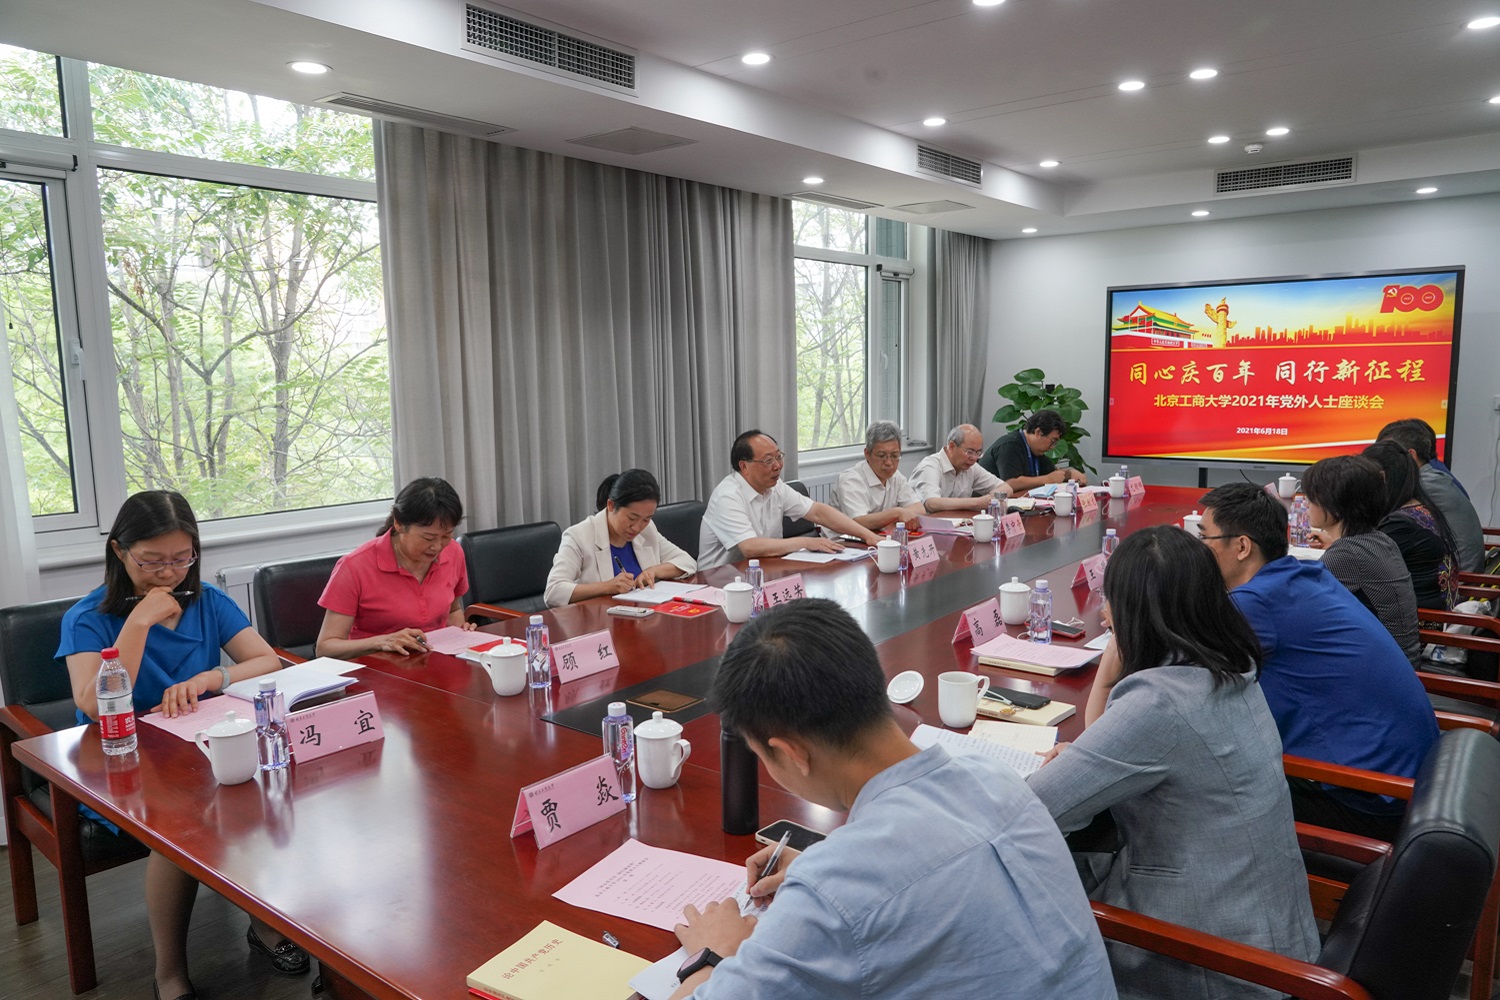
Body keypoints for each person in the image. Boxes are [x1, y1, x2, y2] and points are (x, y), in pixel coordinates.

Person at [669, 599, 1116, 1000]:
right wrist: (828, 871)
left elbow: (870, 885)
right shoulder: (995, 778)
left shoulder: (837, 887)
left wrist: (713, 953)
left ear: (791, 754)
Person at [1028, 526, 1318, 1000]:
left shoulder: (1160, 704)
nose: (1103, 614)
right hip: (1271, 935)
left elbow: (1034, 810)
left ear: (1135, 611)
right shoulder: (1229, 665)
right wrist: (1088, 755)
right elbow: (1118, 744)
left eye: (1111, 601)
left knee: (1015, 898)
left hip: (1213, 964)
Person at [56, 490, 306, 1000]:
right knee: (182, 825)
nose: (167, 573)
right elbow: (94, 702)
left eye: (180, 558)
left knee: (271, 788)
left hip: (197, 748)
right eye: (151, 561)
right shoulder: (87, 617)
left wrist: (213, 677)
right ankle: (168, 972)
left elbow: (266, 660)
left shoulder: (207, 600)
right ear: (119, 551)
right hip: (121, 759)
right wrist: (139, 621)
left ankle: (263, 924)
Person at [1198, 483, 1438, 840]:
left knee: (1195, 782)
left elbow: (1178, 675)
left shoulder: (1256, 603)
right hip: (1411, 777)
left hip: (1367, 795)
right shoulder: (1305, 575)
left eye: (1204, 538)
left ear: (1242, 546)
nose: (1198, 550)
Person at [316, 477, 475, 657]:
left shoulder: (453, 552)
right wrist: (382, 641)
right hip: (377, 666)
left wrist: (461, 632)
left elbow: (453, 610)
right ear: (399, 524)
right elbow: (325, 648)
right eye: (428, 538)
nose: (438, 547)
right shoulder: (354, 567)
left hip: (434, 660)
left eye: (446, 536)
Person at [698, 430, 882, 569]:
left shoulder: (775, 487)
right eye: (768, 460)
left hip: (764, 569)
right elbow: (750, 547)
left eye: (778, 457)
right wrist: (806, 542)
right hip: (718, 581)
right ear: (744, 466)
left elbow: (818, 512)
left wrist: (869, 536)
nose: (777, 466)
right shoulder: (728, 496)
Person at [1300, 454, 1421, 663]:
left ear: (1335, 504)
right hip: (1399, 661)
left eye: (1312, 497)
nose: (1306, 503)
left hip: (1379, 667)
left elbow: (1302, 608)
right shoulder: (1381, 540)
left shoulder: (1345, 555)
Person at [544, 469, 696, 606]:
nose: (637, 527)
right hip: (599, 622)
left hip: (645, 619)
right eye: (632, 518)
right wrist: (607, 587)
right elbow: (553, 591)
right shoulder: (579, 536)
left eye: (646, 519)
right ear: (611, 505)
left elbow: (687, 562)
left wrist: (654, 571)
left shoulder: (647, 530)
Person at [1362, 440, 1461, 611]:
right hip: (1434, 614)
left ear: (1382, 478)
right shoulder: (1420, 509)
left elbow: (1359, 569)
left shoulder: (1399, 525)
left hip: (1423, 621)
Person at [1379, 417, 1485, 572]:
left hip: (1457, 578)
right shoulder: (1434, 476)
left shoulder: (1423, 483)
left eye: (1387, 455)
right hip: (1455, 570)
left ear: (1411, 456)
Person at [829, 421, 925, 531]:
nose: (889, 462)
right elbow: (859, 522)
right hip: (844, 540)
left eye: (895, 455)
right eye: (881, 455)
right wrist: (897, 513)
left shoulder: (895, 476)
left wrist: (892, 519)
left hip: (879, 537)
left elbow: (919, 509)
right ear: (867, 454)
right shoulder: (850, 480)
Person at [909, 423, 1013, 514]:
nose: (974, 458)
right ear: (952, 446)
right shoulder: (930, 466)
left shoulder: (971, 467)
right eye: (969, 452)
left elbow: (1006, 488)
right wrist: (978, 502)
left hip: (957, 524)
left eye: (978, 453)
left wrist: (991, 498)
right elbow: (932, 503)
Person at [979, 409, 1089, 493]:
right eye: (1053, 441)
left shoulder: (1036, 450)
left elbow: (1053, 473)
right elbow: (1010, 483)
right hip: (986, 506)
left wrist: (1070, 473)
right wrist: (1047, 479)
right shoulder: (1010, 445)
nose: (1052, 447)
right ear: (1038, 432)